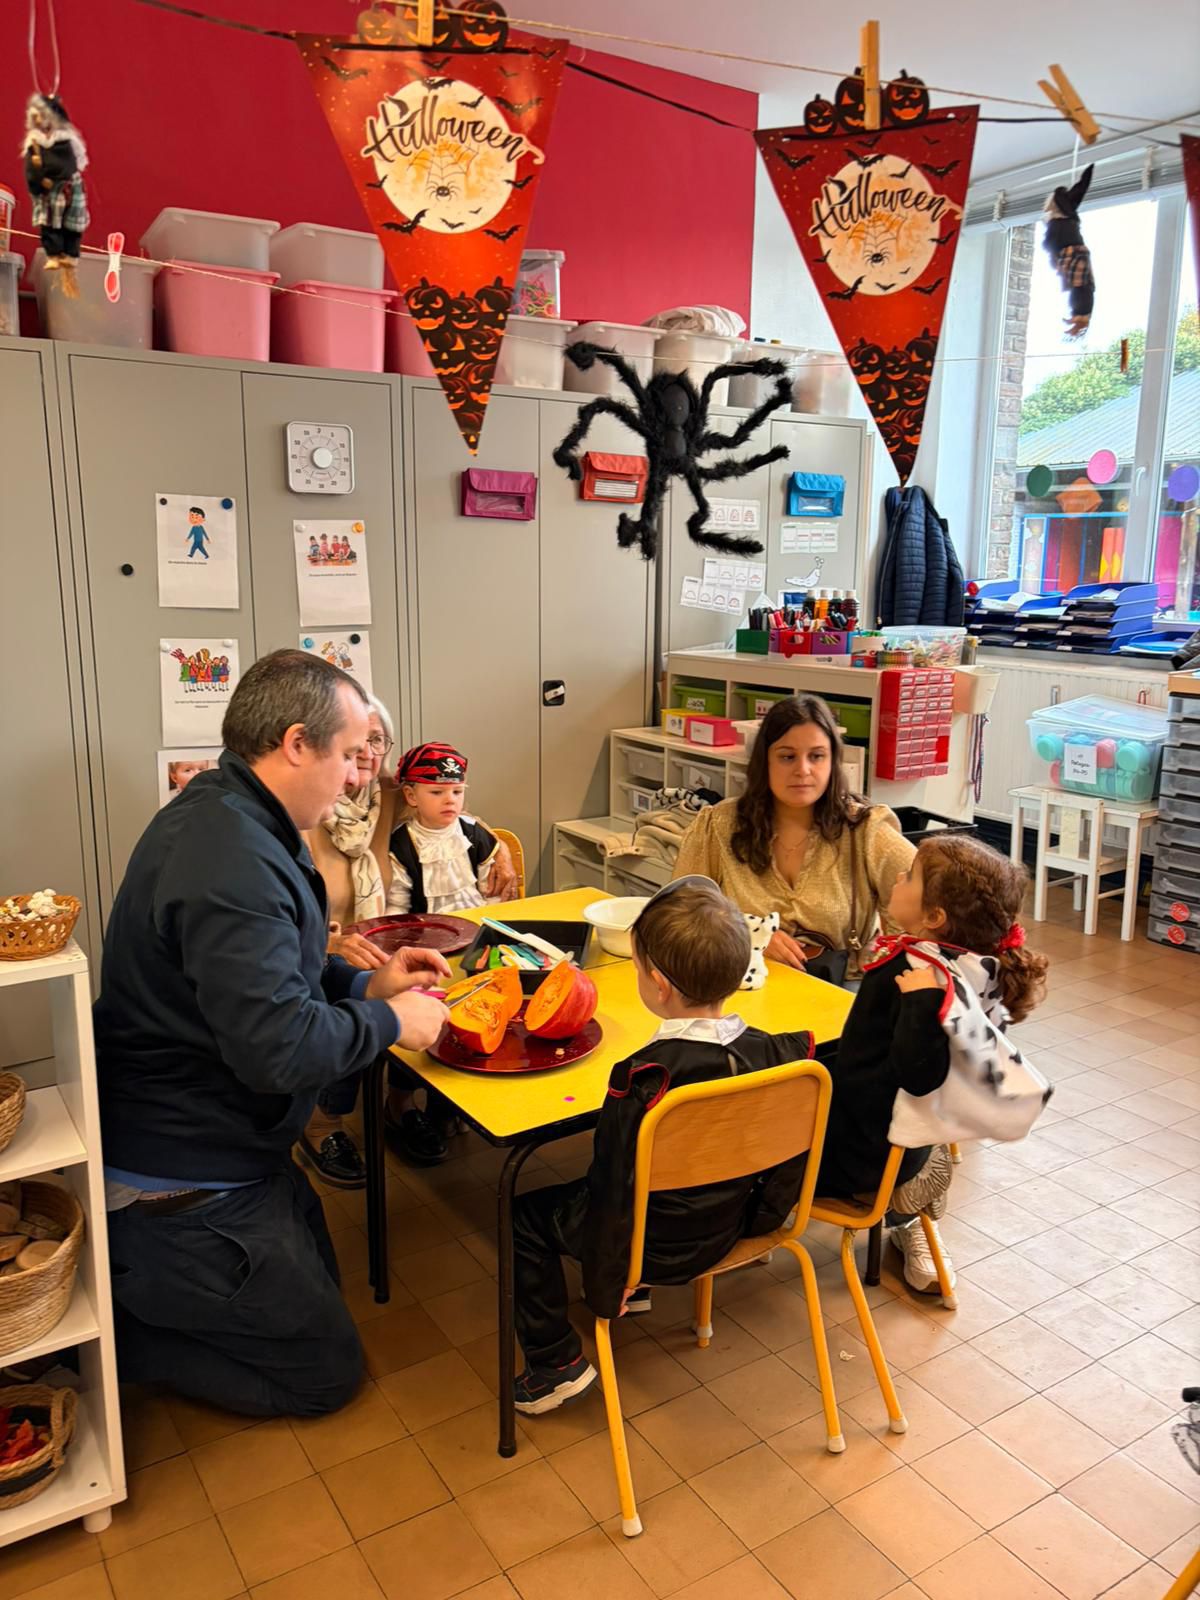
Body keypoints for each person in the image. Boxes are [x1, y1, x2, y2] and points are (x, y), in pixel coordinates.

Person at [95, 649, 452, 1418]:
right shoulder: (228, 858)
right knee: (326, 1376)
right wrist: (394, 1021)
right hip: (180, 1169)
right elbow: (280, 1049)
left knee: (318, 1283)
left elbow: (280, 974)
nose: (357, 777)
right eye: (350, 754)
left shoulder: (240, 812)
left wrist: (366, 986)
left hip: (237, 1145)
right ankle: (113, 1339)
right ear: (296, 744)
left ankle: (160, 1286)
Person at [510, 877, 817, 1415]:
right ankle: (640, 1291)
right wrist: (760, 1222)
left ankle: (555, 1365)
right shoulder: (786, 1056)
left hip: (649, 1247)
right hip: (731, 1227)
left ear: (657, 984)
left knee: (522, 1216)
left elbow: (612, 1193)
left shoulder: (643, 1080)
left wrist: (608, 1287)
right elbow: (786, 1161)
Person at [819, 834, 1048, 1292]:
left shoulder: (913, 974)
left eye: (910, 877)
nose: (898, 877)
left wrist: (921, 1003)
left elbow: (919, 1076)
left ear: (934, 917)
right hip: (903, 1148)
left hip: (859, 1157)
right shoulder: (973, 967)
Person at [300, 718, 517, 1180]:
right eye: (355, 742)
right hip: (324, 943)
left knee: (441, 998)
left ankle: (402, 1105)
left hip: (399, 940)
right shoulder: (305, 803)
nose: (366, 752)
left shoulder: (385, 792)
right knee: (349, 1005)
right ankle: (323, 1123)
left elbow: (457, 814)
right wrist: (328, 941)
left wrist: (501, 851)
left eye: (377, 741)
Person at [673, 694, 914, 979]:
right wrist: (748, 933)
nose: (803, 770)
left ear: (833, 761)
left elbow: (927, 915)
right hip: (739, 987)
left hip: (838, 992)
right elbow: (678, 913)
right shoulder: (720, 825)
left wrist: (880, 969)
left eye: (817, 756)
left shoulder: (866, 830)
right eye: (787, 757)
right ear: (765, 762)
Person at [387, 741, 499, 914]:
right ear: (411, 796)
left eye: (457, 791)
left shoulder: (473, 833)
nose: (450, 800)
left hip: (478, 921)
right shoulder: (401, 844)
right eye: (437, 792)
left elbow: (492, 893)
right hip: (425, 928)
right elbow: (397, 906)